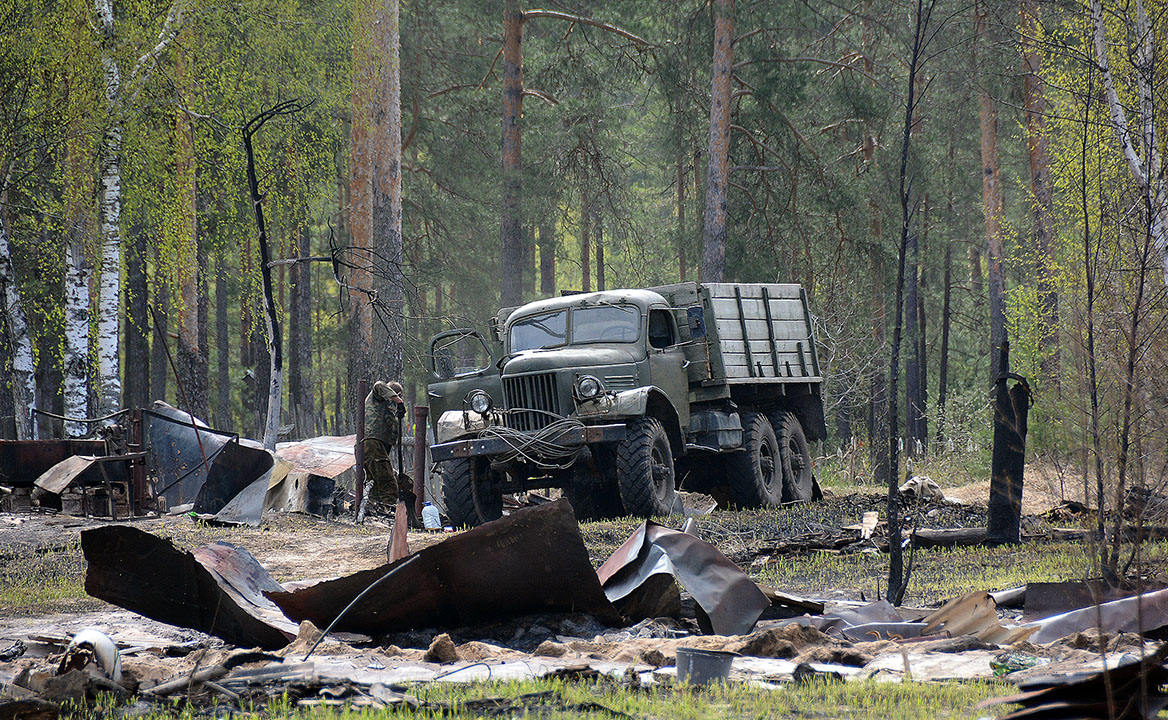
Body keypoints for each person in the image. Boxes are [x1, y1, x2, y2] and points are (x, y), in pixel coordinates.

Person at [360, 380, 413, 511]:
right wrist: (398, 401)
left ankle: (376, 513)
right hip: (372, 444)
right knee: (388, 484)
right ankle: (389, 515)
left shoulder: (385, 408)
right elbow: (378, 385)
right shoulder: (379, 395)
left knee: (376, 485)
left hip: (373, 446)